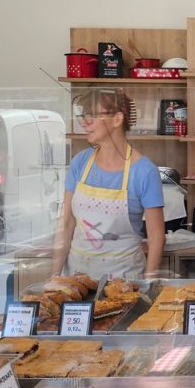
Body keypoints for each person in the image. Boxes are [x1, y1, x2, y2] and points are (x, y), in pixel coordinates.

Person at [52, 88, 165, 279]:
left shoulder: (145, 171)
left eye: (92, 115)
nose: (84, 122)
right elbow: (67, 222)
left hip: (125, 280)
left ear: (117, 119)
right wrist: (54, 275)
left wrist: (149, 283)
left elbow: (156, 237)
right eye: (83, 116)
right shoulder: (80, 162)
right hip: (78, 278)